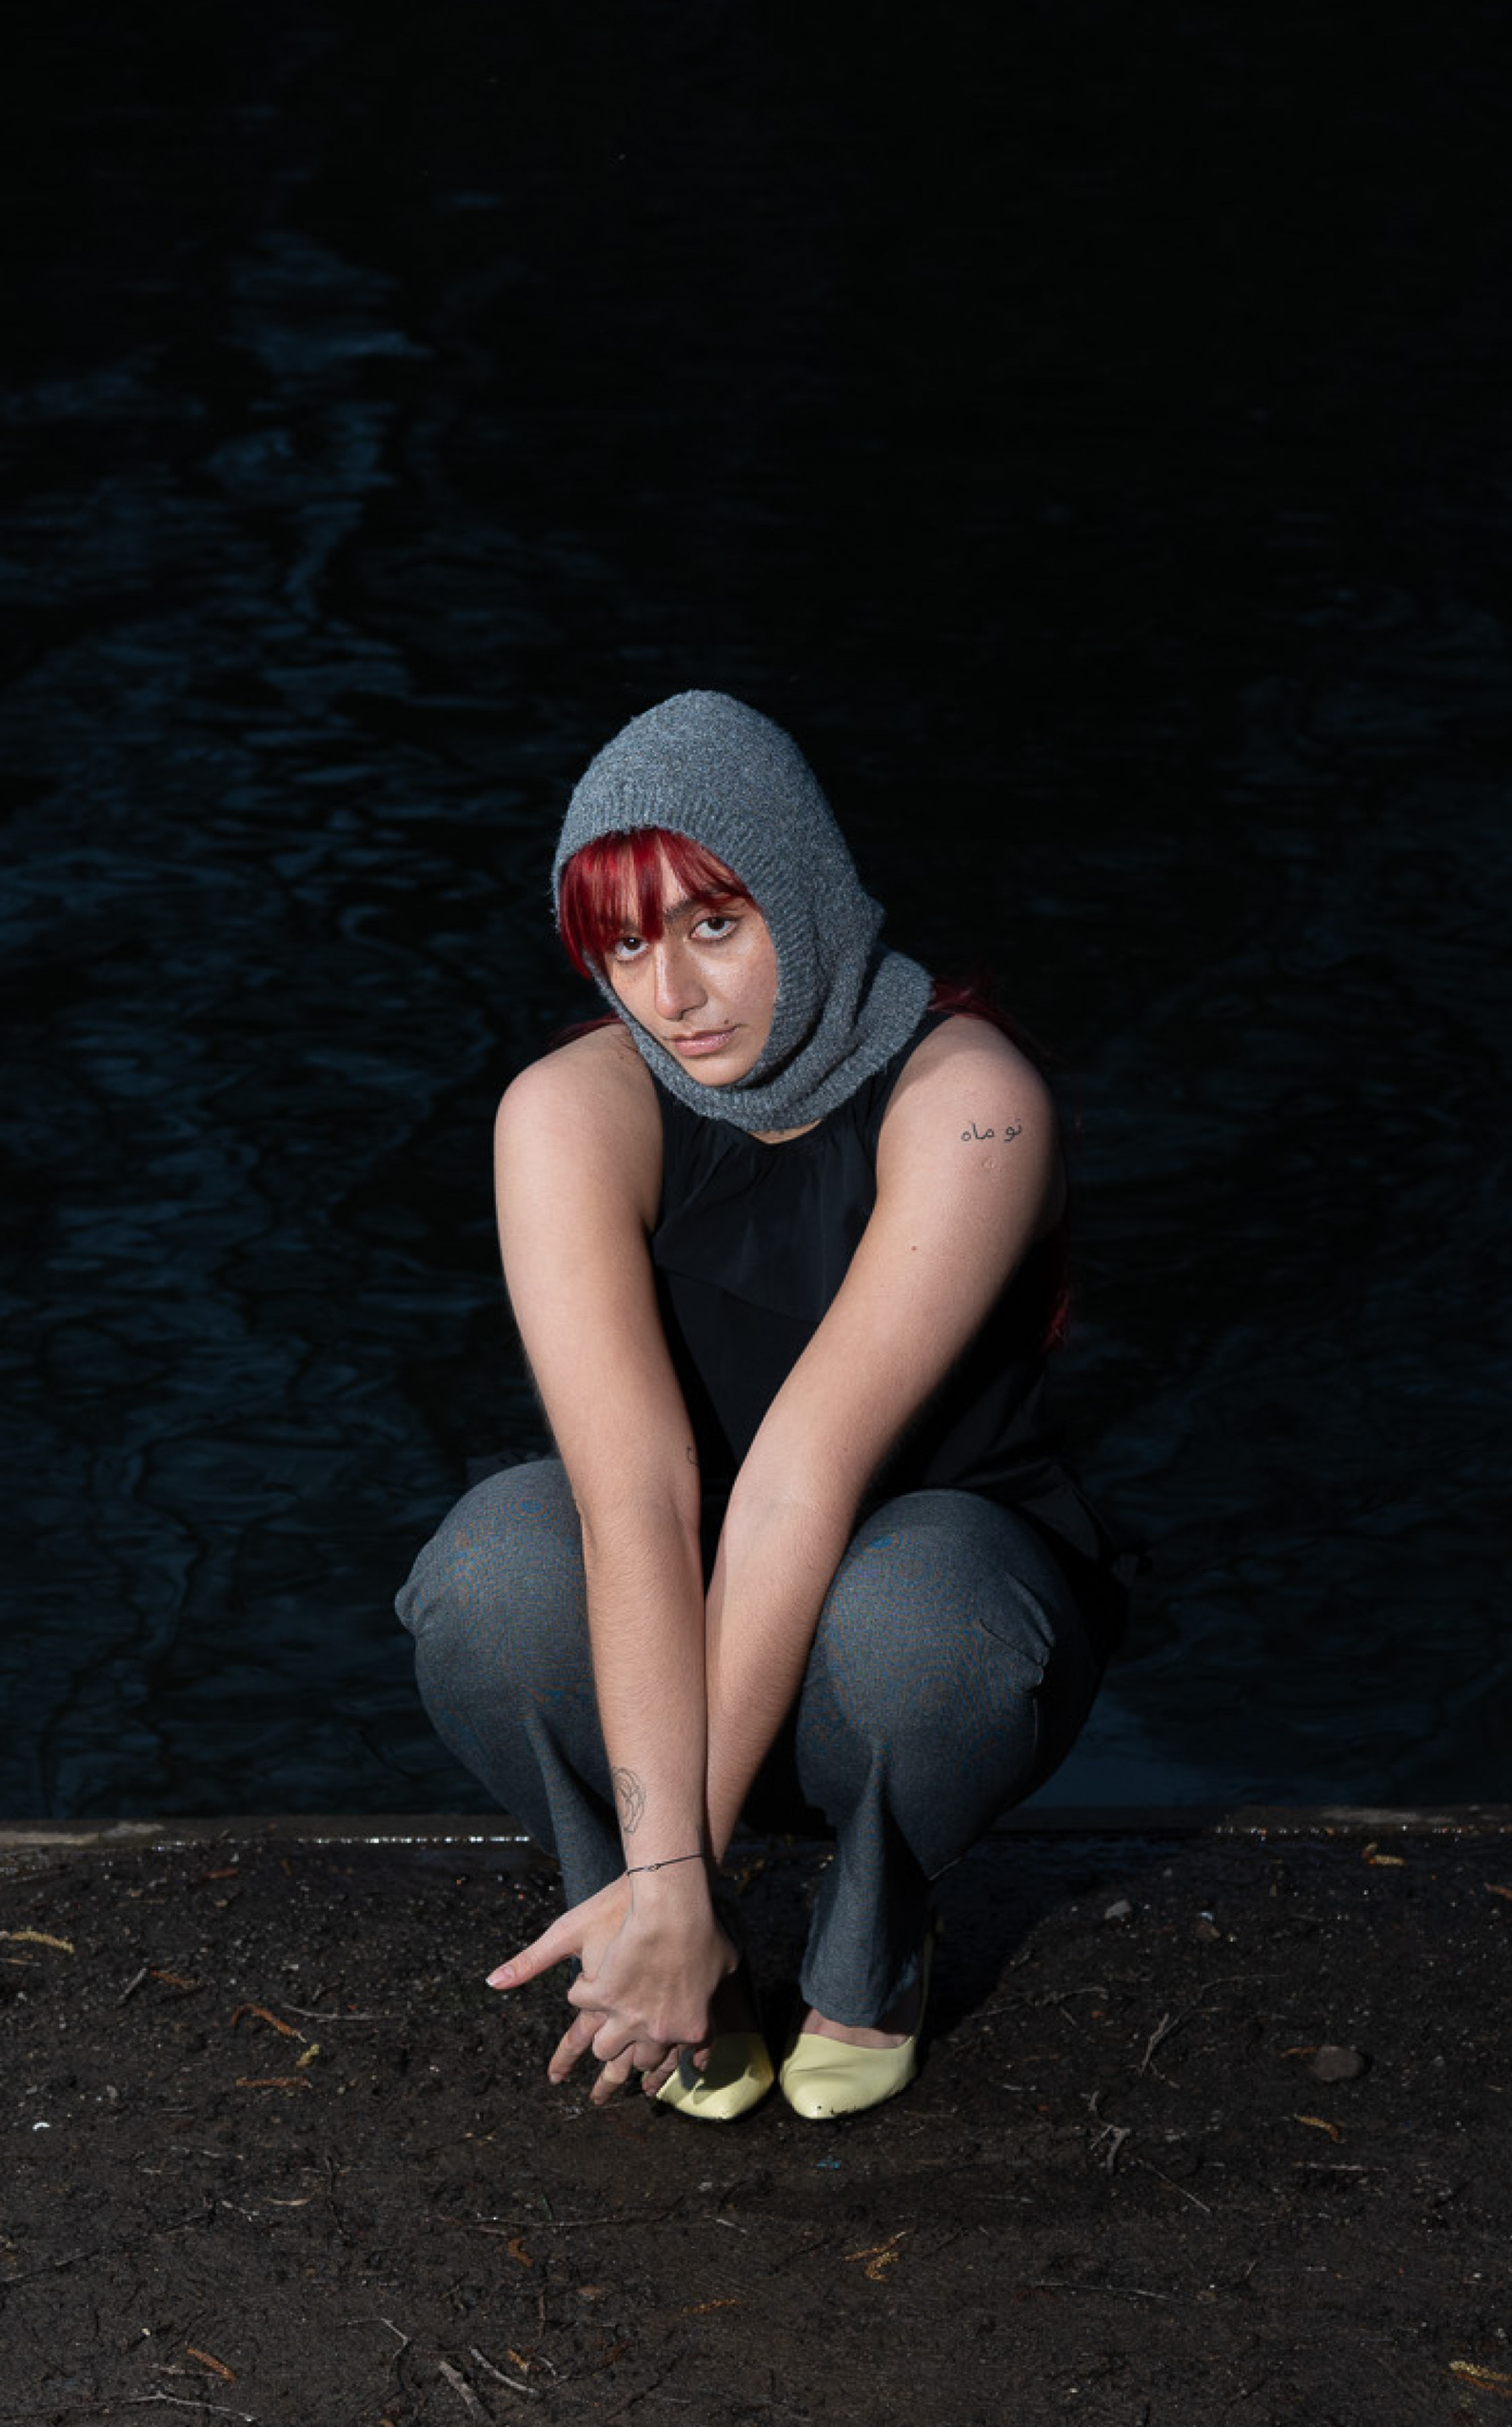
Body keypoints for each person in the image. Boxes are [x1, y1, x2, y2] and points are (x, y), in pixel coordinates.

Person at [396, 689, 1131, 2122]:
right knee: (487, 1575)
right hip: (665, 1628)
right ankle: (667, 1952)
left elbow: (800, 1480)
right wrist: (670, 1878)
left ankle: (871, 1934)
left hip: (913, 1624)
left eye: (715, 924)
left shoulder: (974, 1100)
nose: (672, 995)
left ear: (804, 892)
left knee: (924, 1624)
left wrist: (683, 1867)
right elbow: (635, 1497)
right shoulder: (567, 1111)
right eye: (626, 945)